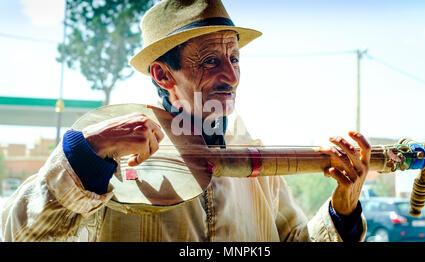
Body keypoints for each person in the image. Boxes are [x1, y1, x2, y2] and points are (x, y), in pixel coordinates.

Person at [1, 0, 371, 242]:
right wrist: (85, 154)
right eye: (211, 60)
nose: (231, 75)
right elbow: (20, 235)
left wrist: (343, 208)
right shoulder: (106, 159)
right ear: (163, 75)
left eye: (235, 58)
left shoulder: (255, 156)